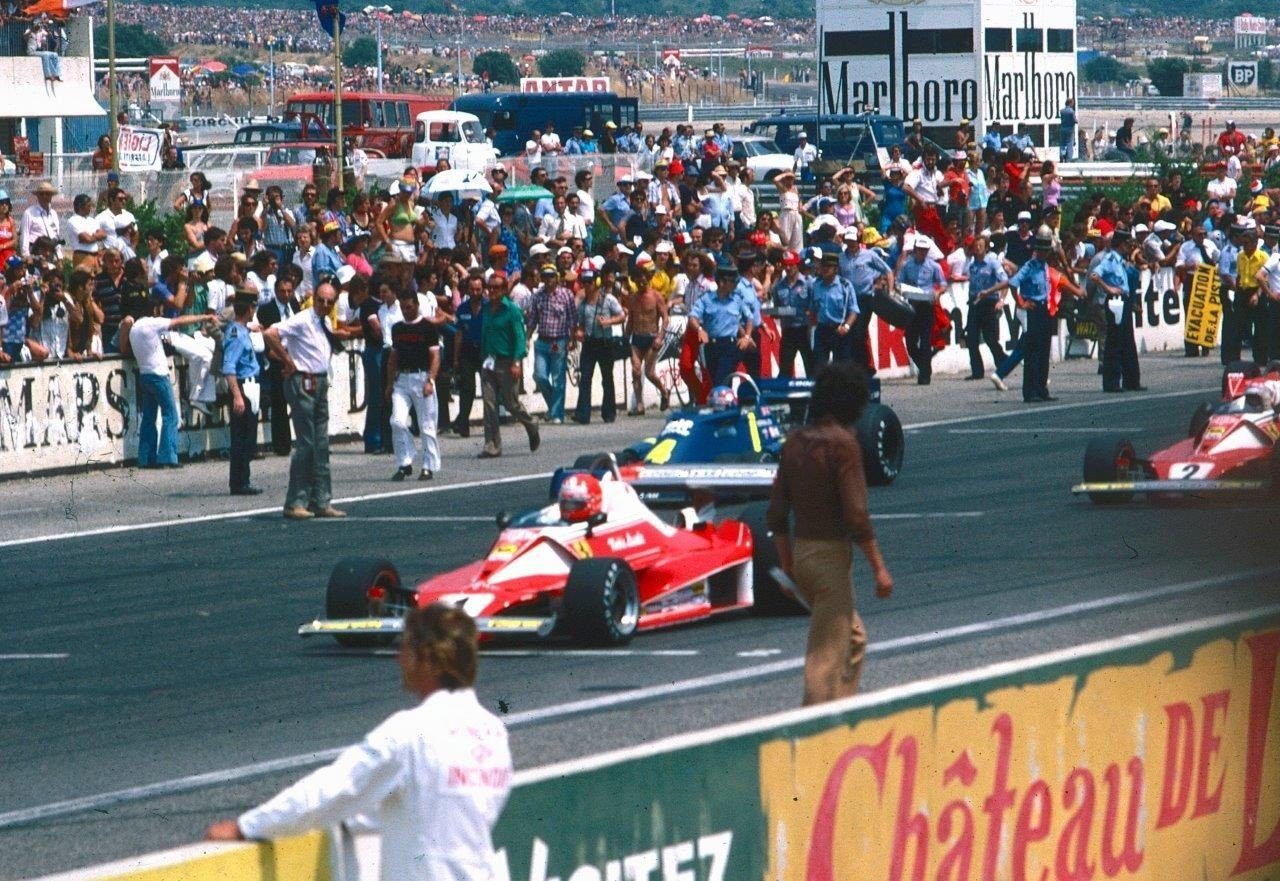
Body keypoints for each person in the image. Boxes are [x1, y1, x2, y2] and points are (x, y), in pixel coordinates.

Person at [206, 603, 512, 881]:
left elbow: (330, 790)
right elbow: (445, 810)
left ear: (426, 658)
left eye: (404, 648)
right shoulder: (493, 732)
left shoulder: (411, 731)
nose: (398, 658)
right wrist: (355, 817)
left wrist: (247, 826)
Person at [766, 361, 894, 706]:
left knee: (853, 640)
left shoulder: (794, 442)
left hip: (801, 555)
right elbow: (856, 516)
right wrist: (879, 568)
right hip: (830, 561)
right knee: (824, 658)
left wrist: (788, 564)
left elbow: (776, 513)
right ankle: (817, 734)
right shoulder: (843, 444)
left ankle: (842, 713)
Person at [263, 281, 347, 520]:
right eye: (321, 300)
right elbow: (270, 334)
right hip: (303, 381)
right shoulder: (302, 319)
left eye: (330, 301)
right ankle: (295, 501)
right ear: (315, 299)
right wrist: (288, 361)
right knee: (307, 443)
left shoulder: (326, 322)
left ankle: (321, 500)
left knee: (321, 444)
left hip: (319, 381)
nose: (325, 305)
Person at [123, 311, 211, 469]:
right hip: (159, 374)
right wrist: (204, 317)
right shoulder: (152, 323)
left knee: (148, 418)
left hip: (145, 374)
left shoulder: (134, 329)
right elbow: (180, 321)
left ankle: (146, 457)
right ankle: (168, 456)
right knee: (171, 415)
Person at [479, 274, 539, 459]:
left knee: (510, 403)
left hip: (507, 362)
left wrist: (517, 362)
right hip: (490, 362)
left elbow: (519, 337)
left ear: (504, 289)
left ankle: (530, 423)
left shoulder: (512, 310)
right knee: (489, 404)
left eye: (496, 287)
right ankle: (492, 445)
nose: (492, 291)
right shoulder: (487, 309)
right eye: (490, 287)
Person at [386, 288, 441, 481]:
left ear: (417, 305)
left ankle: (428, 465)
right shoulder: (397, 328)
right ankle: (404, 462)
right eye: (402, 307)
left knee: (426, 425)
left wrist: (430, 380)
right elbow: (393, 357)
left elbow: (435, 356)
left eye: (409, 307)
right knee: (397, 421)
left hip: (422, 378)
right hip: (402, 380)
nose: (406, 311)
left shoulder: (428, 327)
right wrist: (389, 383)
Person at [1091, 229, 1144, 394]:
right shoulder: (1110, 259)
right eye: (1128, 244)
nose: (1130, 247)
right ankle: (1111, 382)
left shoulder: (1121, 260)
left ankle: (1131, 380)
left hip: (1125, 300)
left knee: (1127, 340)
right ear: (1121, 244)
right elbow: (1095, 275)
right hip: (1115, 301)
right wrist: (1109, 289)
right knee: (1114, 341)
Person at [222, 289, 263, 495]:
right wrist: (237, 396)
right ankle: (239, 482)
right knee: (242, 436)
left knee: (248, 436)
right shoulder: (237, 335)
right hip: (243, 386)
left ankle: (242, 479)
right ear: (249, 309)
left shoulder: (242, 329)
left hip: (251, 384)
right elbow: (229, 367)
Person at [525, 265, 576, 424]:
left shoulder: (566, 295)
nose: (548, 280)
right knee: (539, 376)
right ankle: (554, 406)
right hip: (542, 341)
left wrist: (572, 339)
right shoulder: (537, 296)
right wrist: (527, 338)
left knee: (558, 378)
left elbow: (572, 319)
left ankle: (556, 414)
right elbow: (533, 319)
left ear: (557, 277)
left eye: (551, 276)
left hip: (559, 341)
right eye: (545, 276)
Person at [688, 265, 754, 387]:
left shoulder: (737, 299)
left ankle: (723, 401)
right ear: (722, 282)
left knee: (721, 379)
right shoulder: (706, 299)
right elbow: (692, 317)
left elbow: (749, 318)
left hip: (730, 345)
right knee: (715, 380)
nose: (735, 284)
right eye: (732, 281)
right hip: (711, 346)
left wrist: (747, 337)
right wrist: (699, 329)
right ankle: (726, 403)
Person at [572, 270, 625, 425]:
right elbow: (580, 323)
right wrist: (579, 332)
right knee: (585, 377)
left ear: (596, 282)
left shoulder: (608, 300)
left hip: (605, 343)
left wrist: (608, 322)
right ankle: (583, 413)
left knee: (607, 378)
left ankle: (609, 412)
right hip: (589, 343)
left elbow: (622, 315)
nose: (587, 285)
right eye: (584, 282)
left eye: (590, 281)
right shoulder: (583, 303)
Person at [897, 235, 946, 385]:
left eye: (925, 250)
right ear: (915, 250)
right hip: (912, 305)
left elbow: (943, 283)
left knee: (925, 341)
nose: (922, 253)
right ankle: (925, 367)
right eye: (920, 250)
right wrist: (901, 291)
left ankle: (924, 375)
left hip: (927, 305)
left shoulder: (933, 266)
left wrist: (937, 293)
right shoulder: (907, 265)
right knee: (910, 341)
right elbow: (899, 282)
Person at [964, 234, 1008, 380]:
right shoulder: (972, 264)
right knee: (971, 338)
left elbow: (1004, 281)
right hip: (975, 302)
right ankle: (977, 371)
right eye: (976, 246)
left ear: (986, 247)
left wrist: (1001, 299)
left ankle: (1003, 362)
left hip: (989, 302)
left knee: (990, 338)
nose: (977, 248)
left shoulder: (993, 262)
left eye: (980, 246)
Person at [809, 251, 858, 368]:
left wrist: (846, 327)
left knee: (841, 368)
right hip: (822, 330)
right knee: (819, 366)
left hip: (839, 329)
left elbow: (854, 310)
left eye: (829, 267)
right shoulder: (816, 285)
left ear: (836, 269)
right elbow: (812, 309)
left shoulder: (845, 286)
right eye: (823, 266)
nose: (825, 269)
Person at [1059, 98, 1077, 162]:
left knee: (1062, 144)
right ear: (1070, 103)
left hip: (1062, 128)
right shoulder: (1071, 111)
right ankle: (1068, 159)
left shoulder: (1062, 111)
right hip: (1070, 129)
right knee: (1069, 144)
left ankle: (1061, 156)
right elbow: (1075, 120)